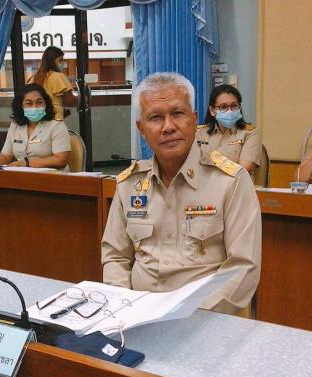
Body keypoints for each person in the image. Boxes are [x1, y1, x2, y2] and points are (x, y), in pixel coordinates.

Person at [102, 72, 261, 315]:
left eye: (177, 114)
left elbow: (243, 267)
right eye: (155, 117)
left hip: (203, 319)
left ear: (194, 120)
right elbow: (115, 257)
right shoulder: (129, 184)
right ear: (141, 128)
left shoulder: (230, 181)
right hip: (136, 317)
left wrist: (188, 319)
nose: (168, 127)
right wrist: (124, 308)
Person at [0, 83, 70, 169]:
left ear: (46, 104)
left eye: (39, 102)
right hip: (22, 175)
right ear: (21, 106)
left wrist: (28, 163)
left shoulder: (57, 126)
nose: (34, 107)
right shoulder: (15, 126)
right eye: (29, 103)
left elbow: (61, 160)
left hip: (52, 175)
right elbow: (6, 156)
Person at [196, 84, 261, 174]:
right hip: (203, 183)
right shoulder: (199, 133)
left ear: (239, 107)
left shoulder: (250, 133)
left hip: (236, 182)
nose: (229, 111)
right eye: (223, 107)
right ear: (212, 110)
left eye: (234, 106)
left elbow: (244, 170)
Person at [30, 46, 75, 121]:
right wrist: (84, 99)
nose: (62, 64)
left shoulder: (33, 77)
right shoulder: (58, 76)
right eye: (60, 60)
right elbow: (70, 100)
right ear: (51, 61)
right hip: (55, 119)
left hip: (38, 120)